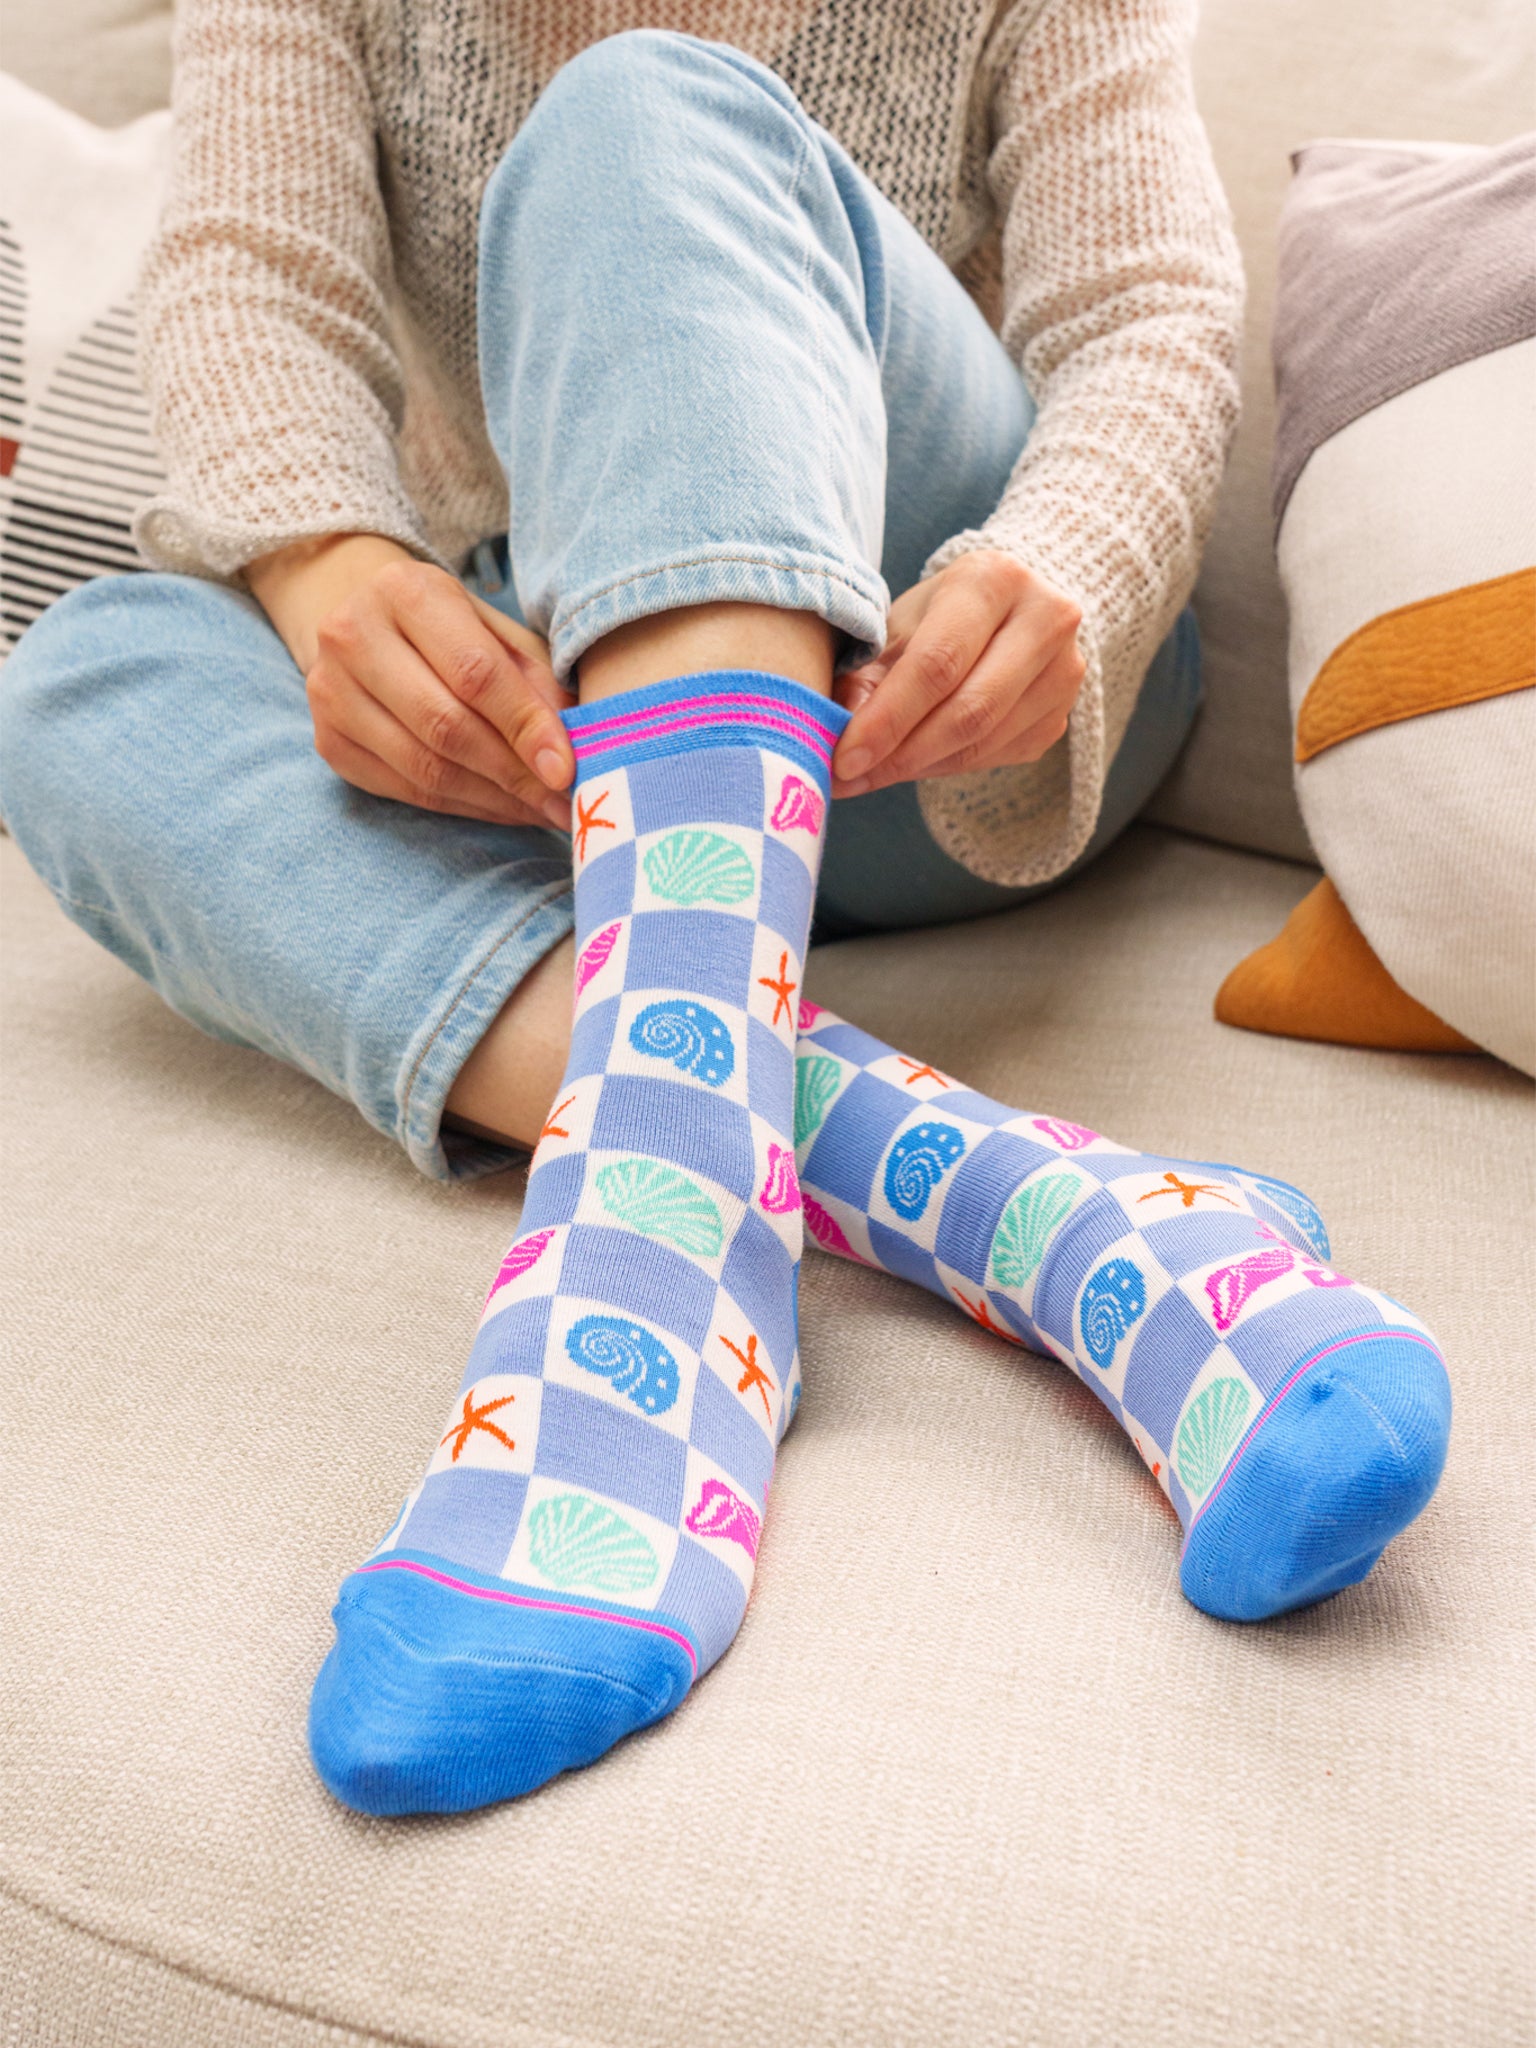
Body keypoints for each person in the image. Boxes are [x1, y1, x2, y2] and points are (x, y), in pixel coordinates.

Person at [0, 7, 1449, 1818]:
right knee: (81, 681)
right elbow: (249, 286)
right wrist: (329, 567)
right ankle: (1031, 1204)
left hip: (948, 693)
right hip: (573, 703)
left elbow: (1146, 317)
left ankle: (653, 1276)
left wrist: (1058, 566)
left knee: (640, 114)